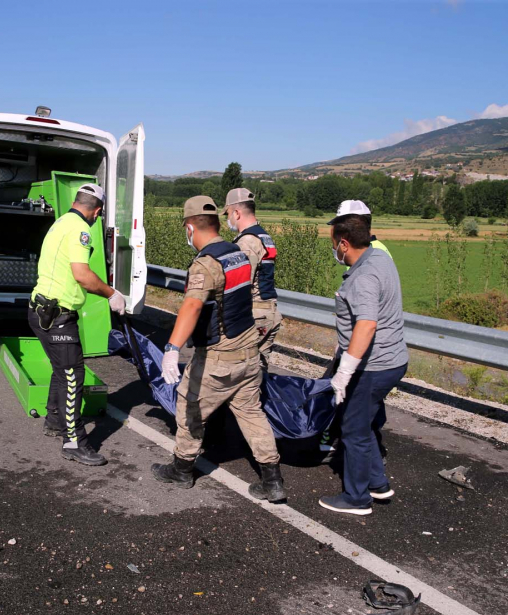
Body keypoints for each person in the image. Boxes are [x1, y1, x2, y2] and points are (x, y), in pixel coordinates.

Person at [151, 196, 286, 502]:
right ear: (215, 222)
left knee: (189, 408)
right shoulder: (236, 252)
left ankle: (182, 470)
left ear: (189, 227)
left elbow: (192, 305)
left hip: (219, 358)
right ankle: (273, 480)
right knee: (252, 415)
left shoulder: (206, 262)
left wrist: (172, 348)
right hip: (249, 353)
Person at [29, 183, 127, 466]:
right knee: (73, 375)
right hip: (57, 316)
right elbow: (82, 274)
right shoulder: (81, 230)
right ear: (97, 210)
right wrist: (111, 293)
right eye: (99, 214)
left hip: (40, 310)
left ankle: (54, 420)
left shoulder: (61, 221)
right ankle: (74, 442)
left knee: (62, 370)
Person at [318, 210, 408, 516]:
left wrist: (344, 371)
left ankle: (356, 498)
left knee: (353, 429)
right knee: (364, 421)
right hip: (394, 359)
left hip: (374, 365)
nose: (334, 250)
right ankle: (377, 484)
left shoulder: (363, 277)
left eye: (333, 244)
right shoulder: (380, 258)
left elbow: (366, 324)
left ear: (344, 244)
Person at [318, 200, 392, 456]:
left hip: (370, 352)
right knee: (361, 407)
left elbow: (368, 318)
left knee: (358, 414)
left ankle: (360, 469)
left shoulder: (370, 259)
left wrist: (348, 361)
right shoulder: (374, 251)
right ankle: (374, 474)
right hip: (364, 345)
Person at [224, 188, 282, 372]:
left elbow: (241, 285)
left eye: (227, 214)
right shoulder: (264, 236)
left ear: (237, 213)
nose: (227, 219)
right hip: (269, 312)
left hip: (254, 314)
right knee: (258, 374)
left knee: (237, 371)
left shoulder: (246, 242)